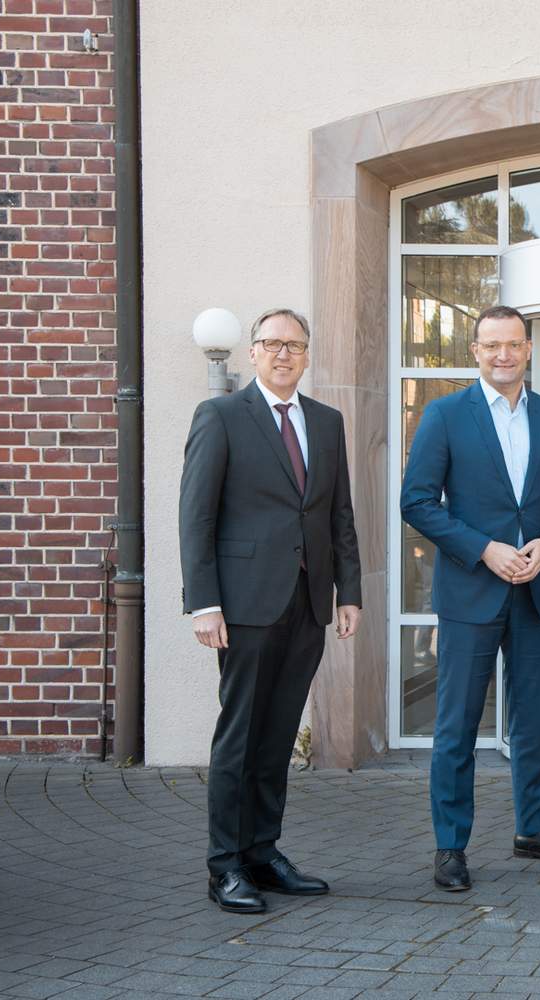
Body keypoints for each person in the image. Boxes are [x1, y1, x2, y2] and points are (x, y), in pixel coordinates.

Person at [400, 305, 540, 892]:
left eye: (513, 344)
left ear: (529, 349)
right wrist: (484, 549)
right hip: (471, 592)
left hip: (535, 592)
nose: (503, 355)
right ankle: (450, 846)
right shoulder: (444, 415)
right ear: (476, 350)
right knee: (456, 724)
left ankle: (533, 830)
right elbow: (417, 503)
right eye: (492, 346)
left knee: (532, 718)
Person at [179, 307, 362, 913]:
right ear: (252, 353)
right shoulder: (223, 416)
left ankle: (262, 851)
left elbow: (339, 515)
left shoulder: (327, 422)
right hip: (245, 604)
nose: (284, 354)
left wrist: (350, 591)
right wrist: (204, 603)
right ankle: (224, 865)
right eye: (272, 343)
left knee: (279, 734)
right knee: (241, 735)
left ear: (307, 356)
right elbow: (197, 516)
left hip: (308, 602)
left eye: (295, 345)